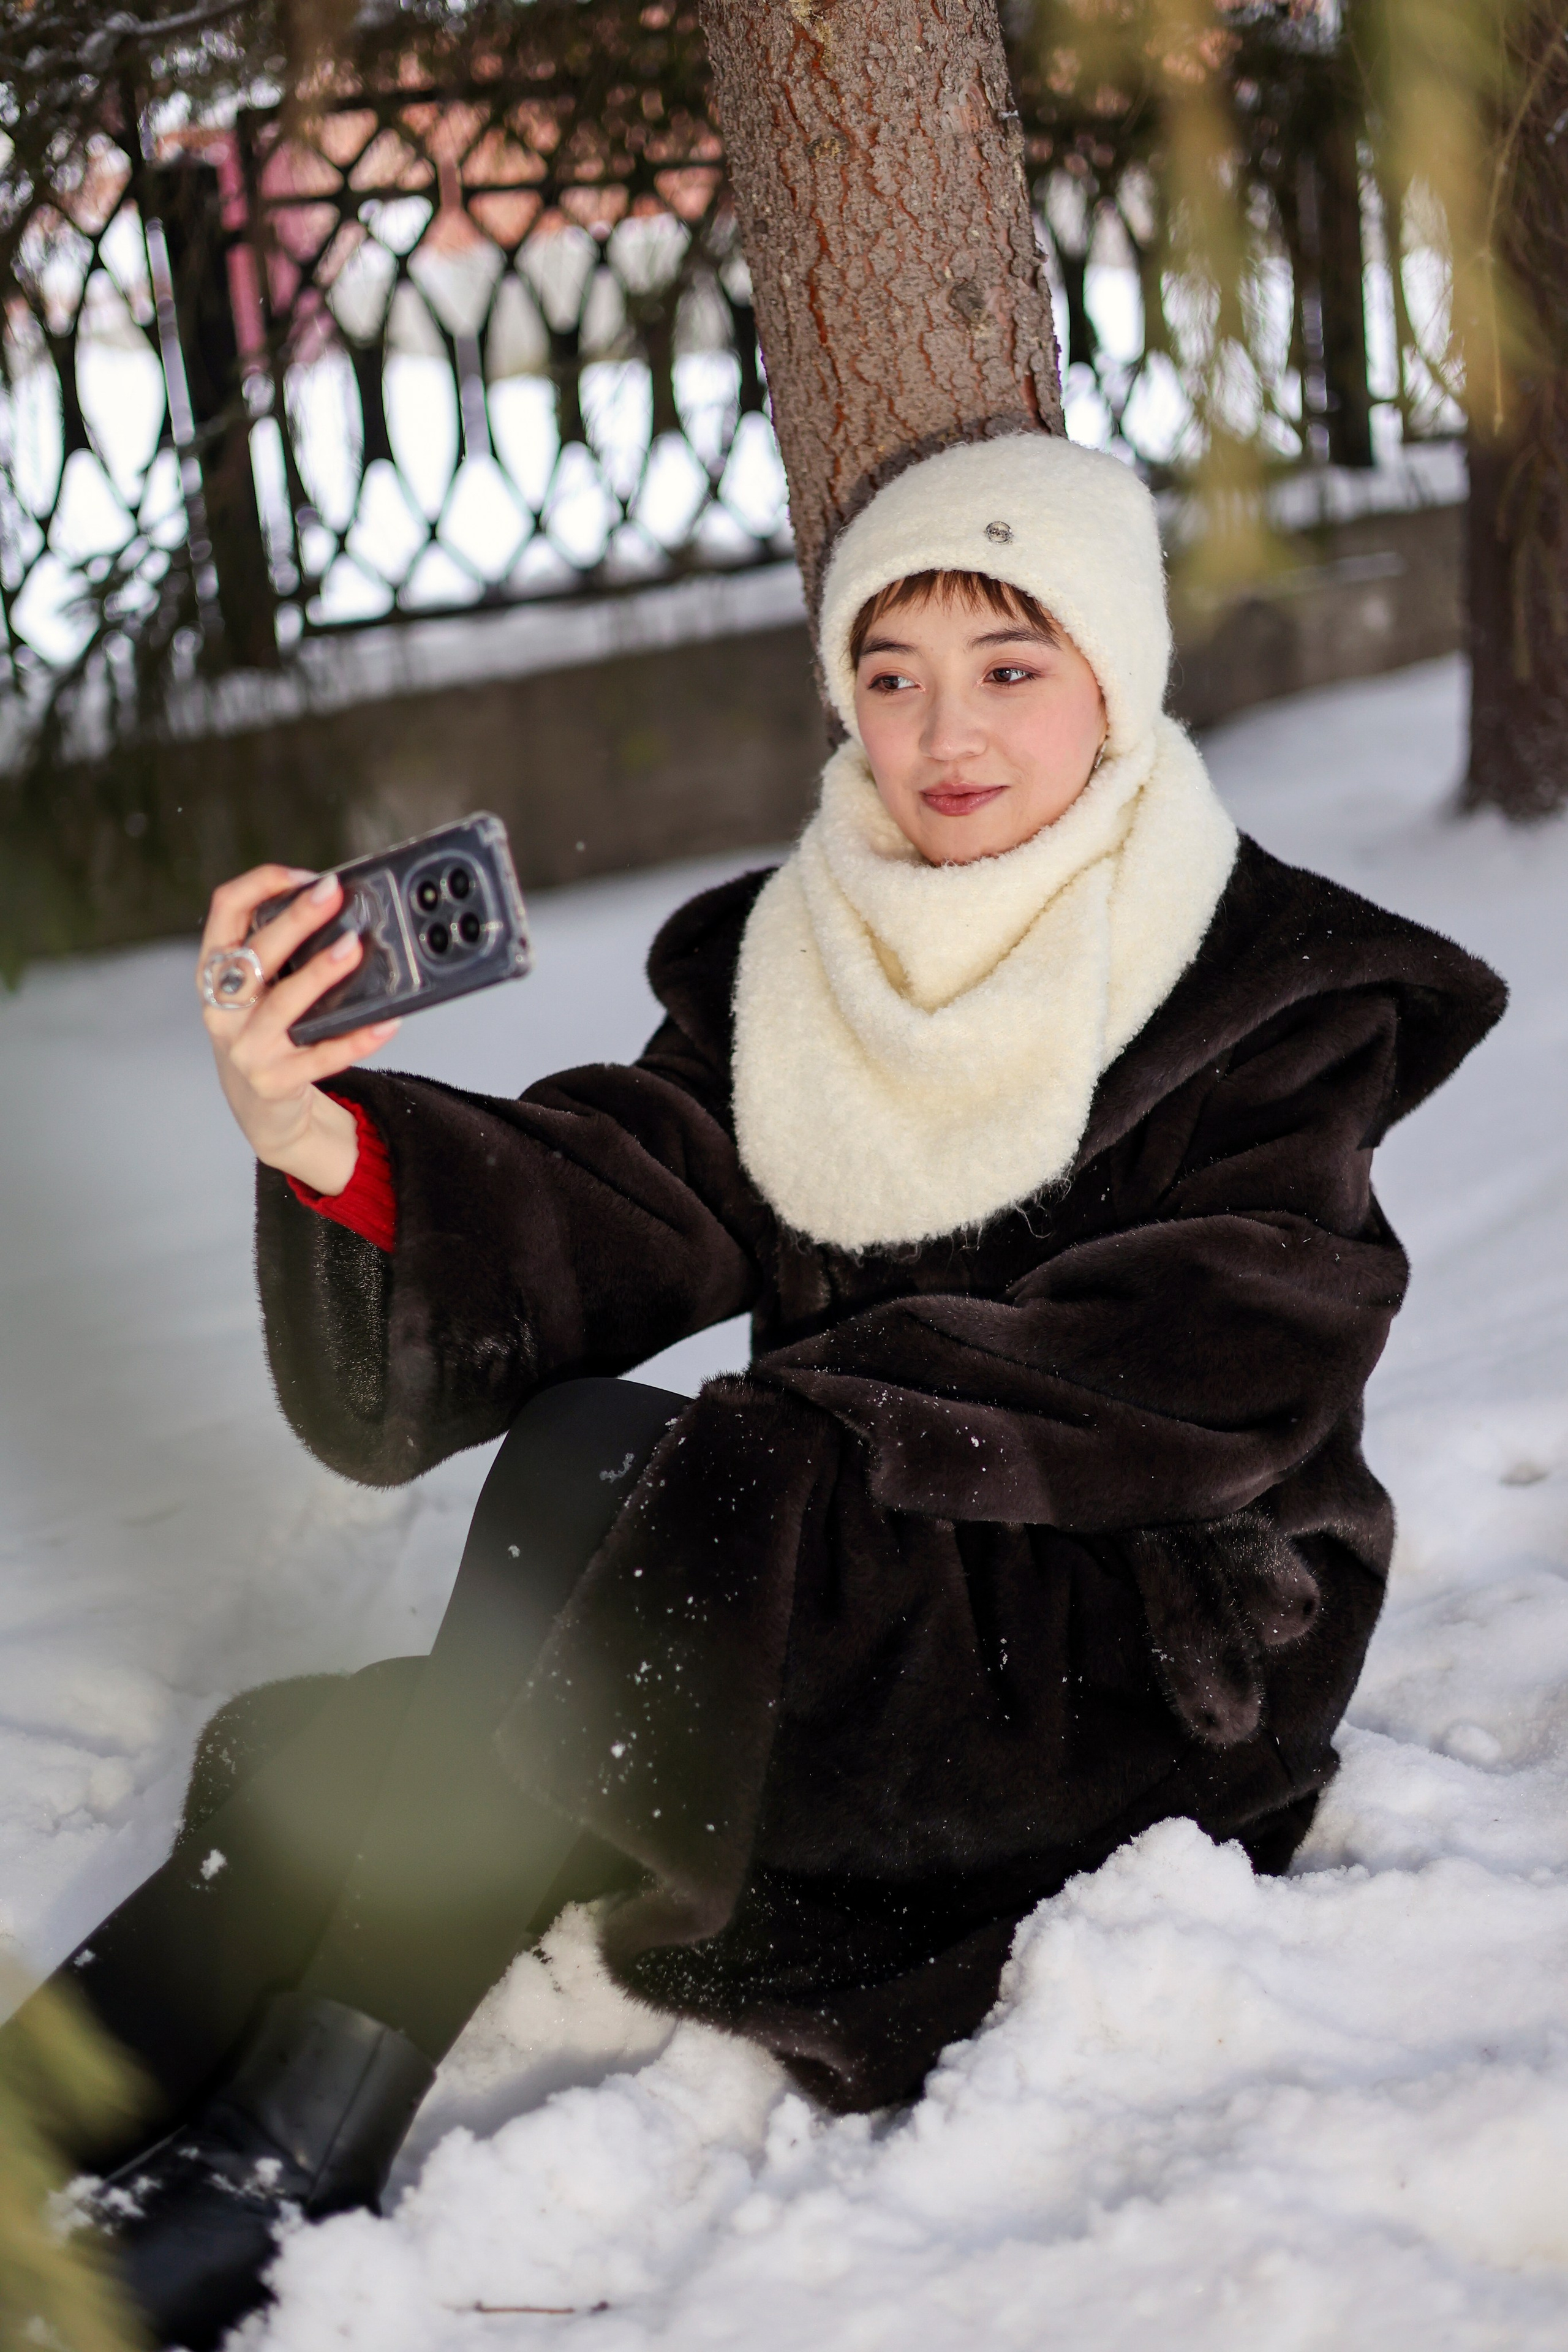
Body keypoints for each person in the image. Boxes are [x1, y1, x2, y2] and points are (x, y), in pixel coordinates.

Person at [15, 437, 1504, 2348]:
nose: (942, 731)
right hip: (827, 1592)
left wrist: (799, 1447)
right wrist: (322, 1138)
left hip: (1130, 1656)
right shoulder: (801, 948)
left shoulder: (1269, 986)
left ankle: (302, 2149)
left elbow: (1226, 1351)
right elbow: (631, 1192)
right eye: (889, 675)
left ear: (1117, 675)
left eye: (1008, 664)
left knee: (621, 1498)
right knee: (352, 1760)